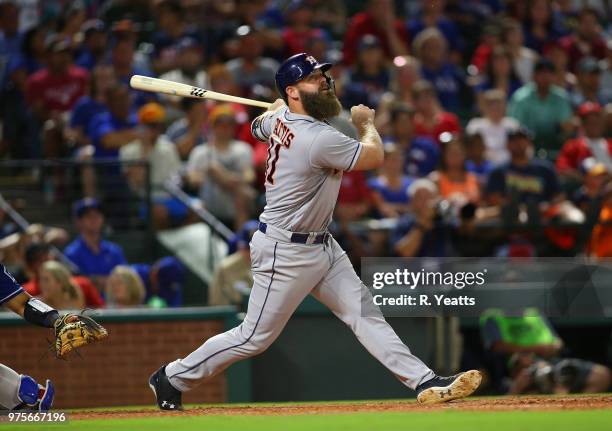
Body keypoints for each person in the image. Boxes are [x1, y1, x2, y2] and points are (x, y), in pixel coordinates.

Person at [149, 52, 482, 411]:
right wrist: (365, 123)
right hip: (285, 250)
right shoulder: (317, 138)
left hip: (321, 243)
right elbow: (373, 157)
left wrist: (278, 110)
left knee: (363, 312)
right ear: (294, 91)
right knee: (253, 338)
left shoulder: (281, 121)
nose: (323, 81)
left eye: (323, 75)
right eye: (313, 78)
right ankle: (171, 376)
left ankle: (424, 381)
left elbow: (256, 126)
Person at [63, 198, 127, 290]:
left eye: (97, 215)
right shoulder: (71, 253)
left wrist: (94, 280)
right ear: (78, 221)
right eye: (89, 216)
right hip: (85, 304)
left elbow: (125, 280)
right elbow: (74, 286)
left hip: (114, 303)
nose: (94, 219)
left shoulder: (114, 250)